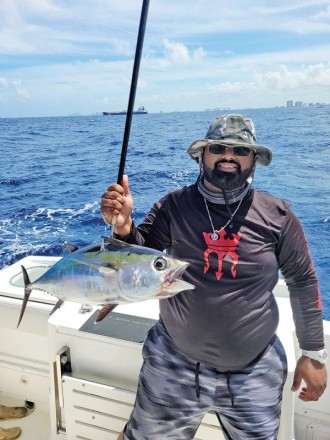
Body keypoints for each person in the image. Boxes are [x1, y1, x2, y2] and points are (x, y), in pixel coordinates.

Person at [100, 114, 327, 440]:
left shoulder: (278, 215)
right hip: (173, 363)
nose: (228, 156)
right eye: (218, 148)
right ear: (202, 156)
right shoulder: (173, 205)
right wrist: (123, 226)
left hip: (255, 371)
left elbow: (303, 279)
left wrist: (314, 355)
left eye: (240, 150)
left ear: (254, 161)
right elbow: (137, 259)